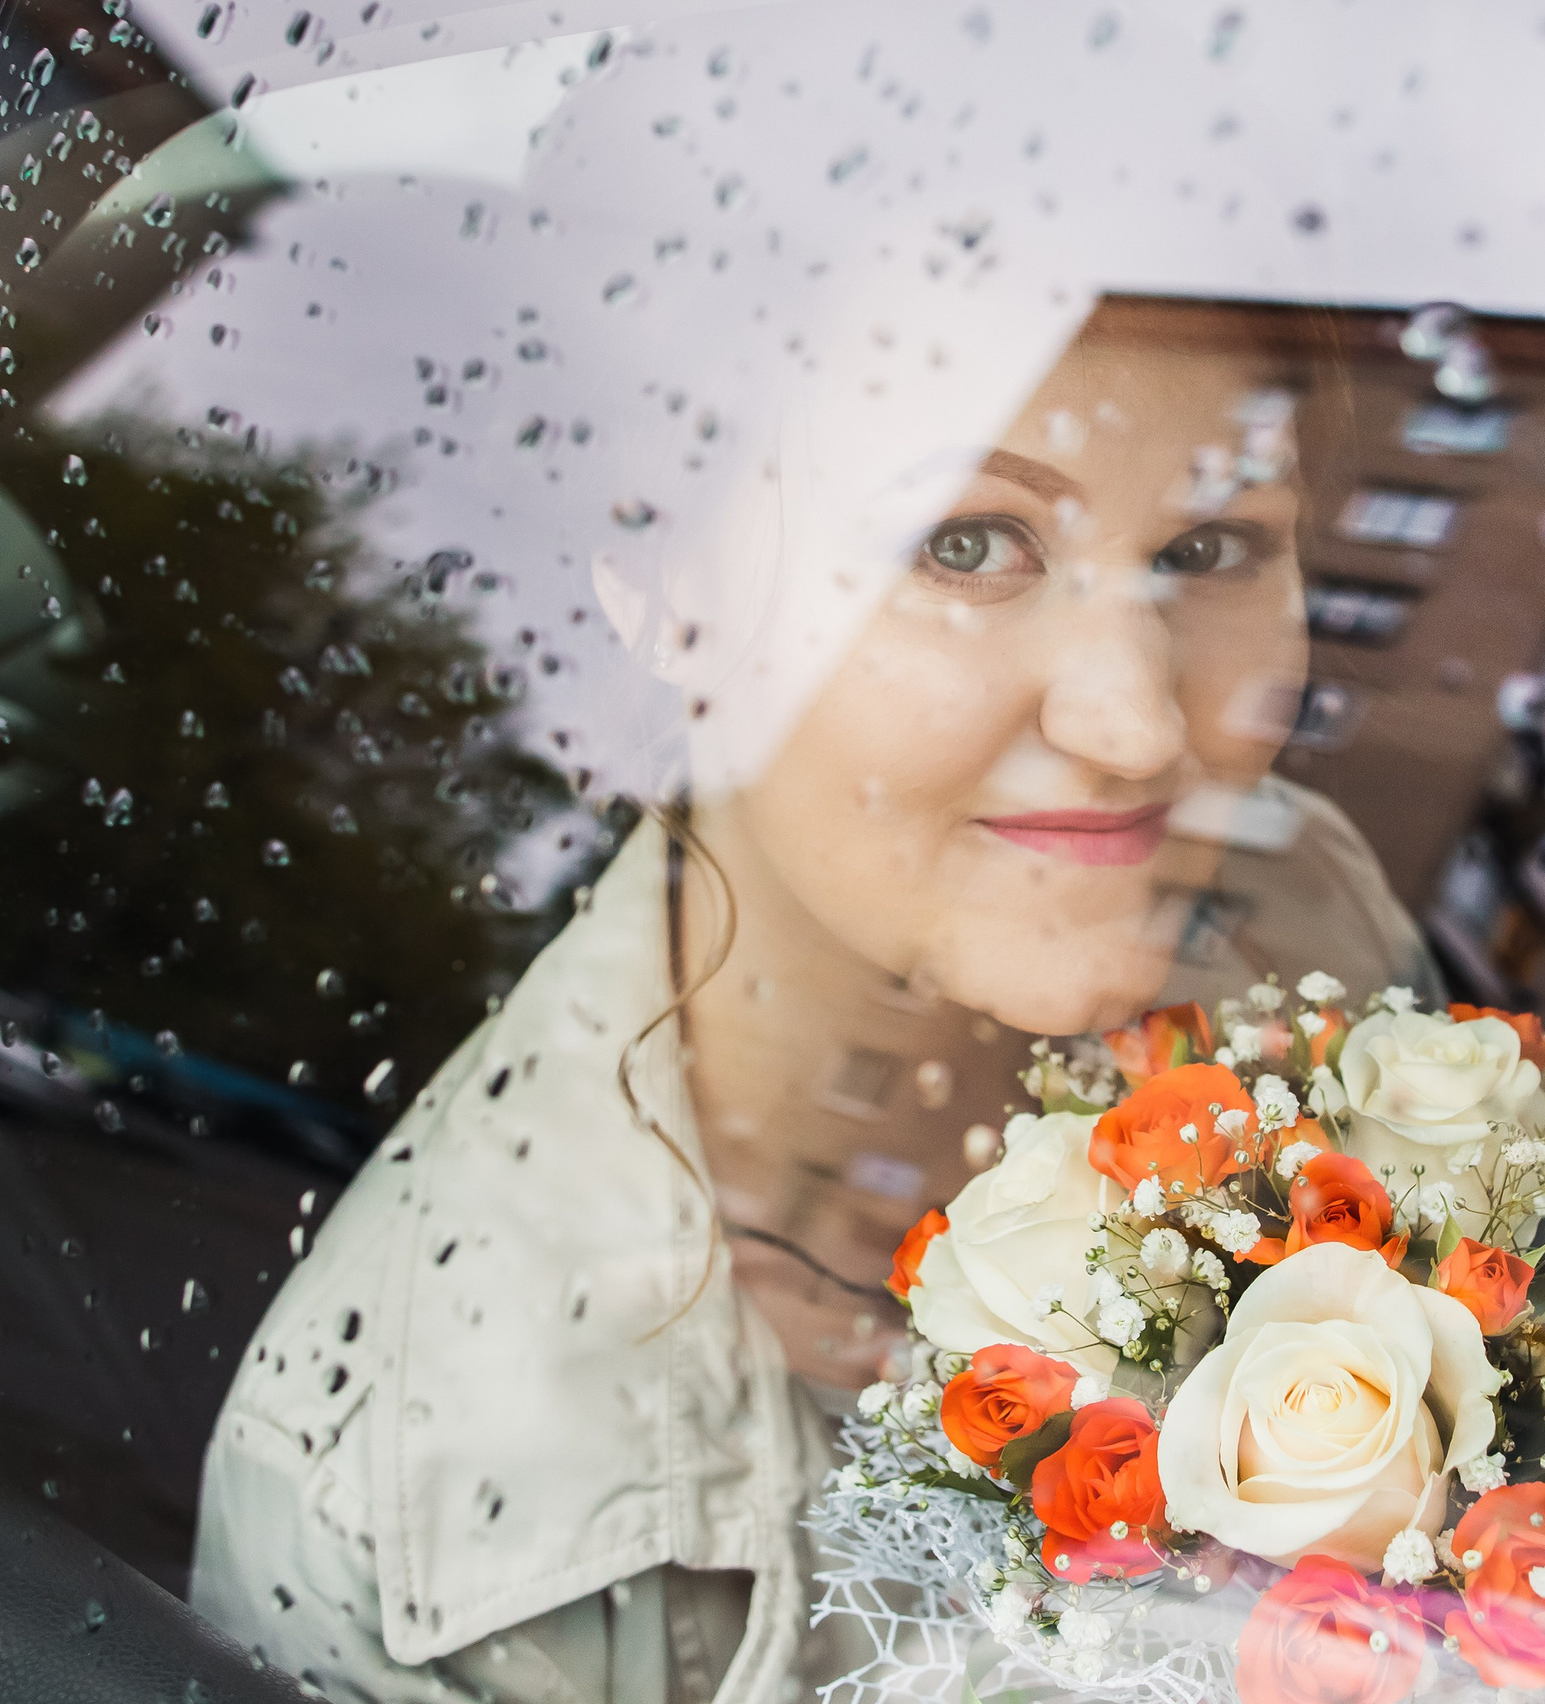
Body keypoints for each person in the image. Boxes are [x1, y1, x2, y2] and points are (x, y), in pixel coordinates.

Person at [188, 290, 1439, 1703]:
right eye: (966, 544)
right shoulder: (412, 1529)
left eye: (1208, 548)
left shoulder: (1298, 909)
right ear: (663, 578)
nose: (1136, 721)